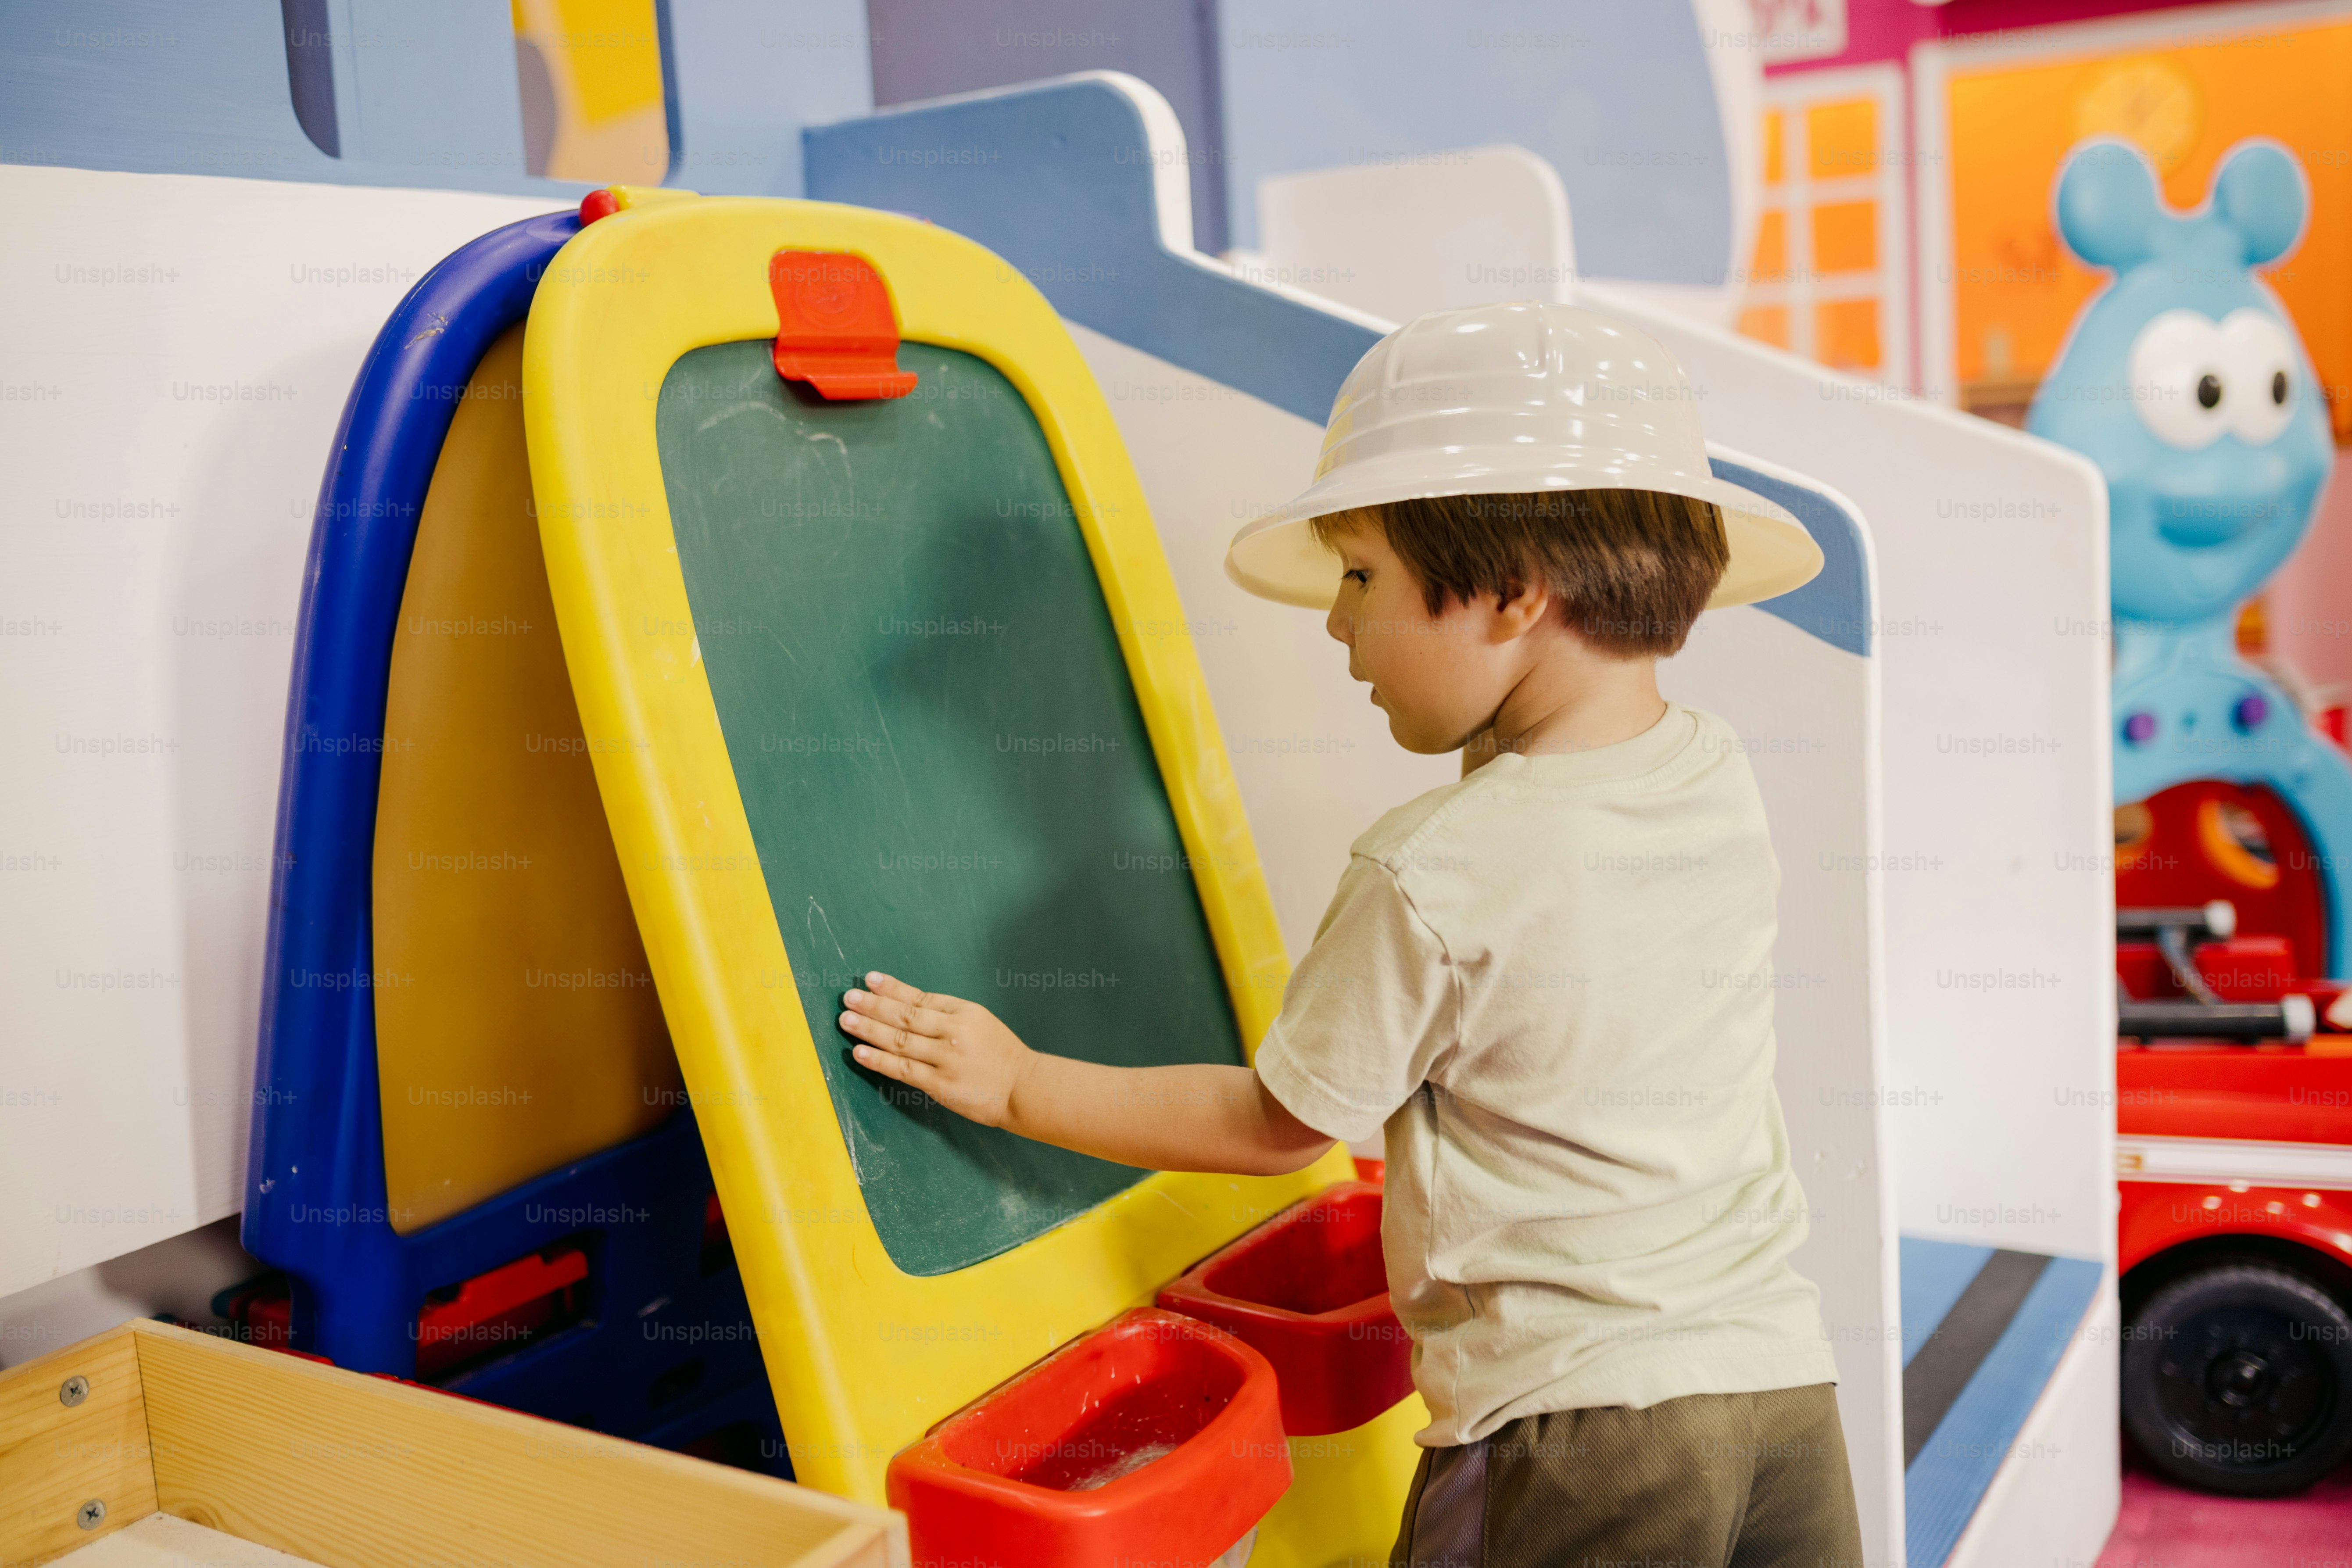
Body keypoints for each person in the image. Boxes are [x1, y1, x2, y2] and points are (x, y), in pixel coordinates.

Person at [837, 303, 1864, 1565]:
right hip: (1778, 1397)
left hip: (1579, 1435)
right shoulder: (1711, 771)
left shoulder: (1436, 867)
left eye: (1361, 577)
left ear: (1514, 592)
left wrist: (1015, 1084)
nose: (1335, 625)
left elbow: (1277, 1126)